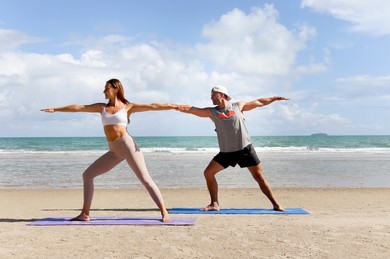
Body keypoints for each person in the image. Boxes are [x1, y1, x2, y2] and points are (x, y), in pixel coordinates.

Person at [41, 78, 176, 222]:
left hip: (128, 146)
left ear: (116, 89)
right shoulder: (101, 108)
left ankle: (164, 212)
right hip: (114, 150)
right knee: (87, 175)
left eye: (106, 88)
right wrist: (56, 109)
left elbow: (152, 106)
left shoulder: (127, 107)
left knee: (145, 179)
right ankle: (85, 214)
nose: (104, 91)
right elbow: (79, 107)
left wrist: (174, 106)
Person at [178, 85, 288, 211]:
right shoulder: (212, 112)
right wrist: (175, 107)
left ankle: (275, 204)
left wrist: (274, 98)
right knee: (208, 173)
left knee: (259, 177)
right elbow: (192, 109)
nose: (211, 97)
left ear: (222, 95)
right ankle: (214, 203)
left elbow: (260, 102)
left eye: (213, 94)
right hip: (226, 153)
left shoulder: (238, 106)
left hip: (245, 149)